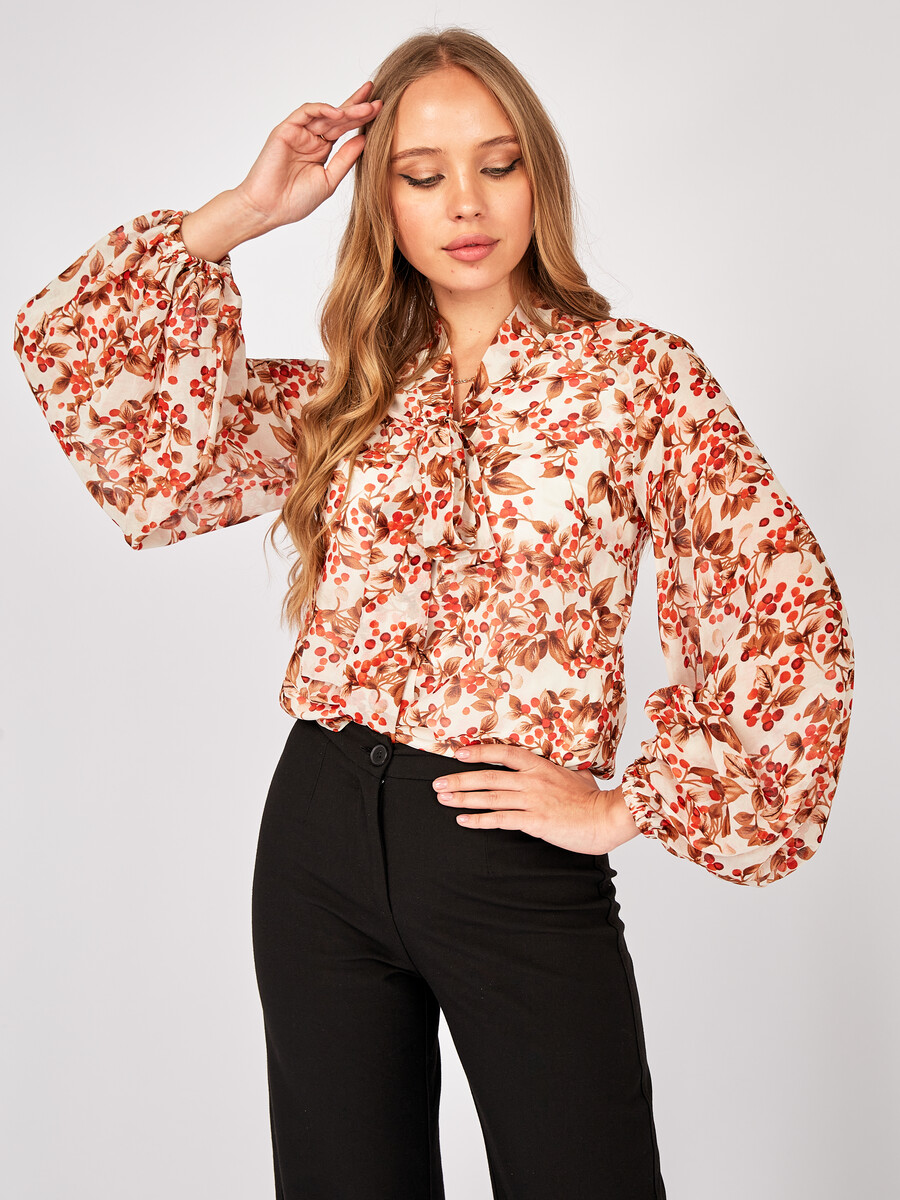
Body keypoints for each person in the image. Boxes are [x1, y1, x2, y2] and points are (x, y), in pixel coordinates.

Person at [12, 25, 855, 1200]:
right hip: (316, 839)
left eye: (498, 164)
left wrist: (633, 805)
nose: (466, 202)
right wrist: (243, 213)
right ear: (383, 203)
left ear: (537, 178)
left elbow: (782, 606)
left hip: (511, 850)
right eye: (421, 174)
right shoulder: (353, 389)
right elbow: (121, 420)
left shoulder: (639, 382)